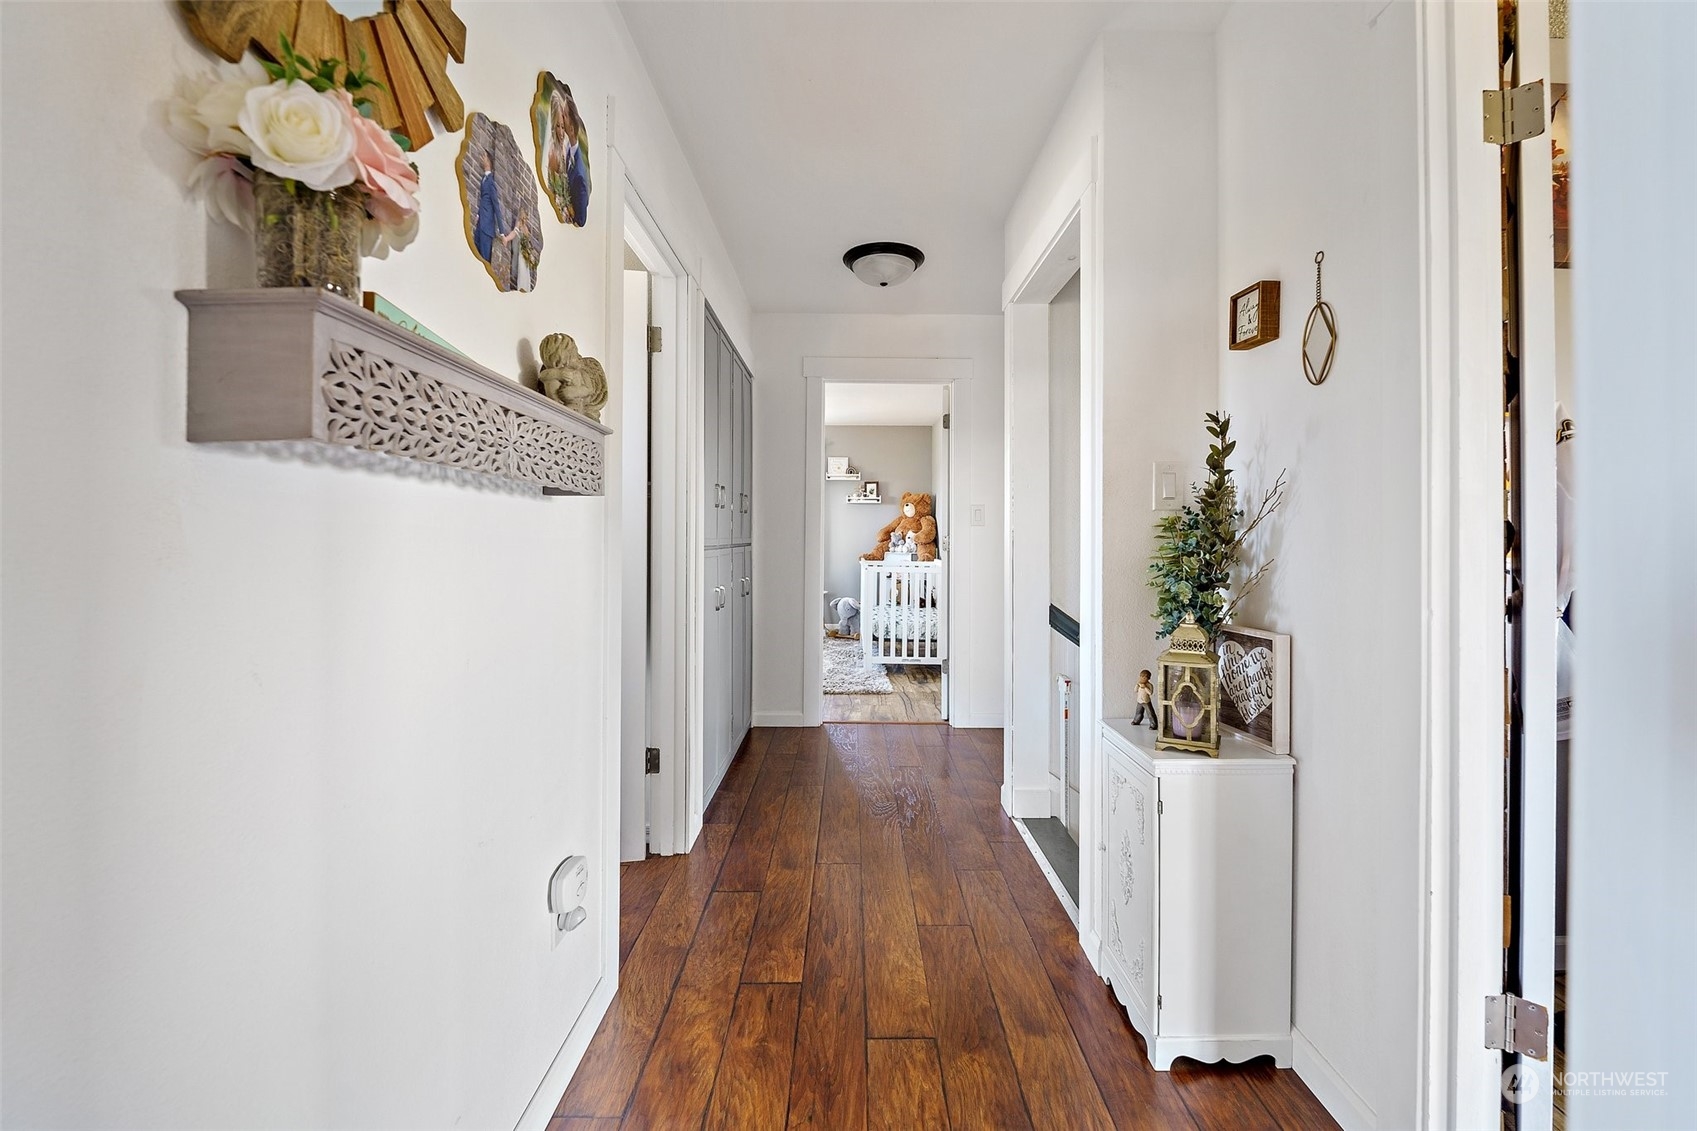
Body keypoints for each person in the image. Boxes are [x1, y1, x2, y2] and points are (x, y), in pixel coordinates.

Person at [472, 148, 517, 268]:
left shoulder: (491, 183)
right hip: (480, 224)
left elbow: (497, 208)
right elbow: (482, 199)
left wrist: (502, 233)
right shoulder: (484, 179)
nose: (482, 159)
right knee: (474, 253)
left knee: (484, 259)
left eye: (484, 157)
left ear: (489, 162)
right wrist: (478, 215)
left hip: (487, 227)